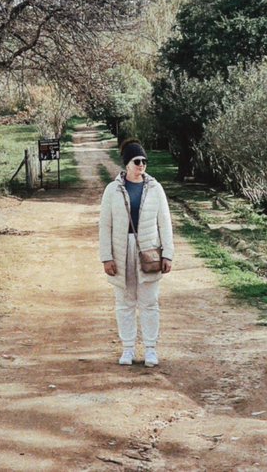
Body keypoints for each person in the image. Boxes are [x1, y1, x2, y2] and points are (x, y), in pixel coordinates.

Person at [98, 139, 175, 367]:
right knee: (125, 302)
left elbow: (165, 222)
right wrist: (106, 257)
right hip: (122, 250)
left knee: (150, 302)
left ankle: (151, 349)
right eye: (137, 161)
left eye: (144, 161)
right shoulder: (112, 190)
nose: (141, 165)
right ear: (127, 164)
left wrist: (168, 254)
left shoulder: (155, 188)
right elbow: (105, 226)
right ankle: (128, 349)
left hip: (149, 251)